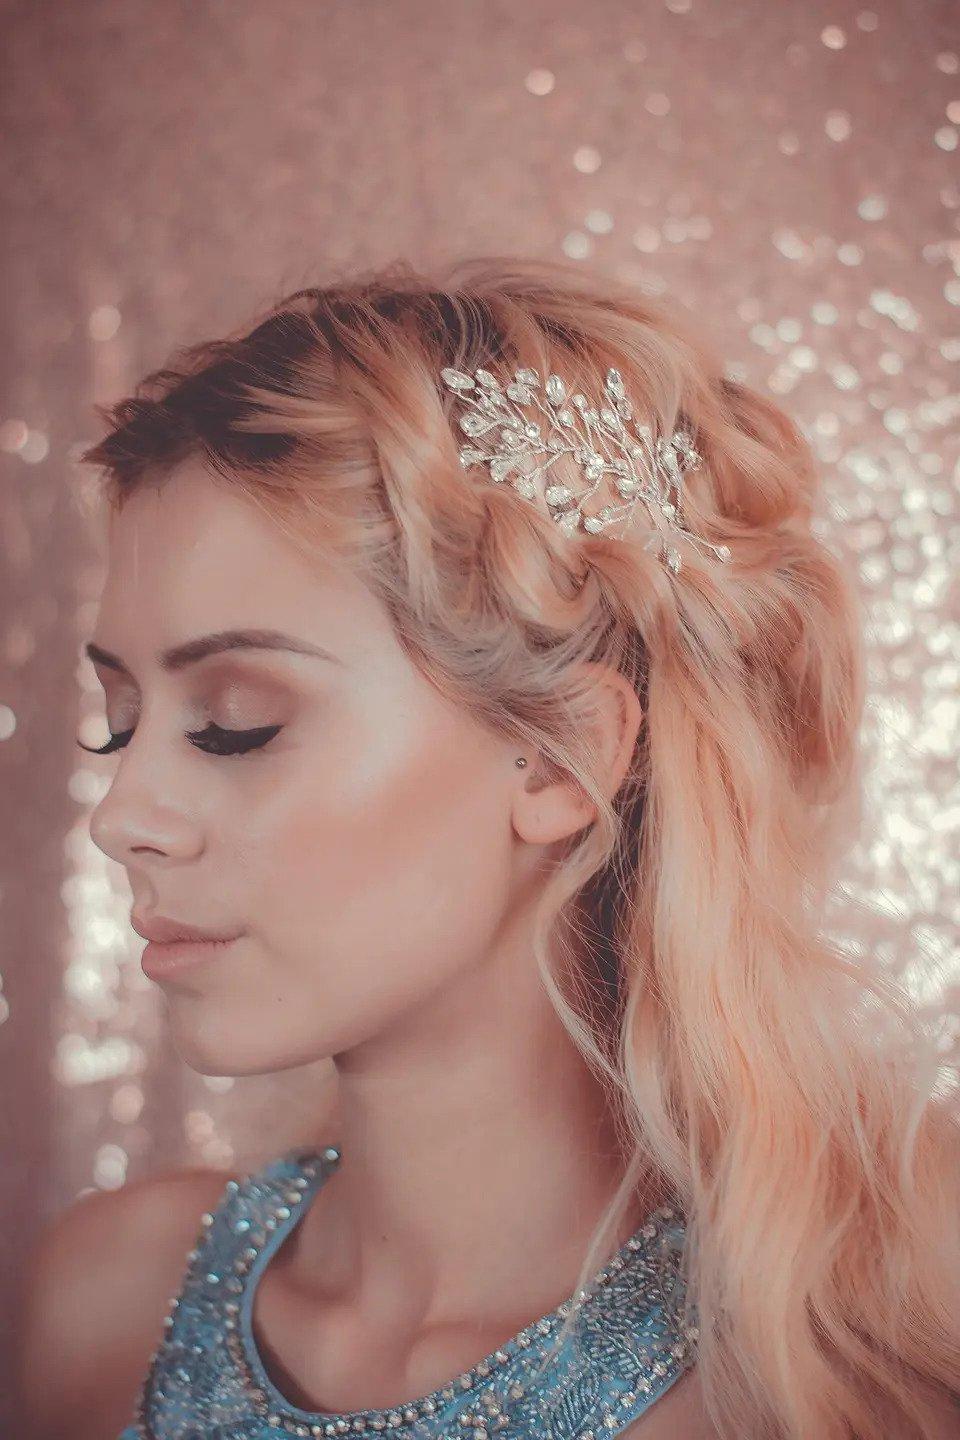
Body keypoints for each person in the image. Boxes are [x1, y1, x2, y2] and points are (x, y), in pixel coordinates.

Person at [16, 256, 960, 1440]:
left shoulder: (820, 1374)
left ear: (559, 759)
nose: (121, 816)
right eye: (122, 723)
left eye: (234, 723)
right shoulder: (111, 1306)